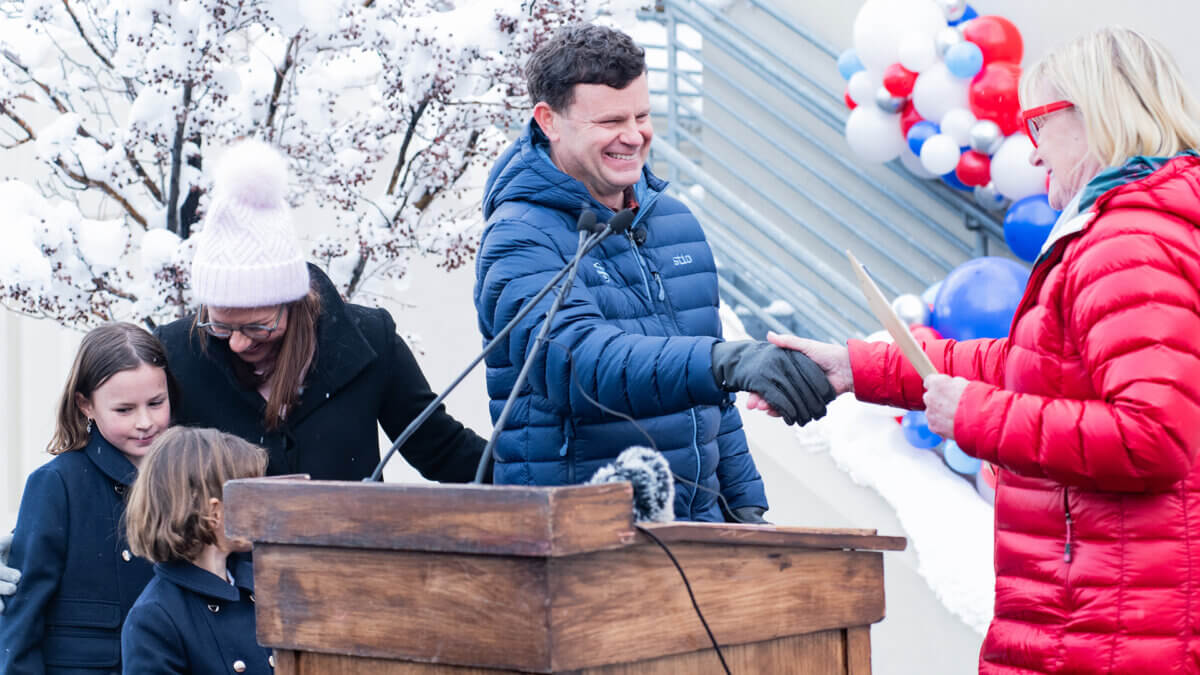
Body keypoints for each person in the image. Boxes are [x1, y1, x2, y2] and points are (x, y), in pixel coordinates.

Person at [758, 27, 1200, 674]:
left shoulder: (1129, 244)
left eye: (1038, 121)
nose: (1031, 147)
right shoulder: (1131, 229)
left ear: (1096, 113)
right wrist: (860, 368)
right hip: (1100, 612)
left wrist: (974, 414)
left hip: (1108, 626)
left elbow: (1152, 438)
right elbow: (1033, 368)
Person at [475, 23, 834, 523]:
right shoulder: (518, 235)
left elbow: (712, 401)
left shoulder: (675, 221)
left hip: (696, 530)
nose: (633, 135)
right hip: (579, 535)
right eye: (610, 120)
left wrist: (745, 509)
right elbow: (579, 365)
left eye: (642, 115)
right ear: (549, 121)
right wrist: (724, 362)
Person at [155, 139, 487, 483]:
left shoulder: (371, 342)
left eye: (257, 327)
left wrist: (522, 476)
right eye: (221, 327)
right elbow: (138, 465)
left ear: (292, 300)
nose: (238, 343)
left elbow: (442, 449)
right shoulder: (176, 353)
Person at [0, 323, 175, 673]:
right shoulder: (56, 483)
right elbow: (23, 615)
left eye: (156, 403)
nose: (145, 422)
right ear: (86, 405)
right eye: (124, 410)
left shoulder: (187, 477)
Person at [121, 426, 271, 674]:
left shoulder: (259, 586)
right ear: (214, 513)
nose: (264, 508)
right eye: (252, 497)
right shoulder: (155, 617)